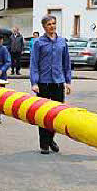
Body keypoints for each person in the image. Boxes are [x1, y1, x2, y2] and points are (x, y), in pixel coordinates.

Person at [30, 14, 72, 154]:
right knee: (43, 113)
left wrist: (68, 81)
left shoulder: (62, 42)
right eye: (49, 24)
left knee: (56, 114)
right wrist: (34, 82)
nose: (52, 26)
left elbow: (66, 63)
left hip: (58, 82)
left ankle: (50, 138)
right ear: (44, 27)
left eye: (54, 23)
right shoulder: (39, 43)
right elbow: (34, 63)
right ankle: (44, 144)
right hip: (43, 83)